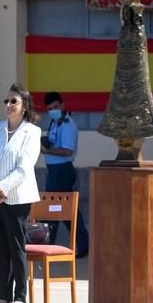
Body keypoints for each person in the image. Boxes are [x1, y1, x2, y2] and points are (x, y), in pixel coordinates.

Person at [0, 83, 41, 303]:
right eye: (6, 101)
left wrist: (1, 188)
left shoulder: (31, 132)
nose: (9, 105)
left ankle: (20, 298)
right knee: (0, 249)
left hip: (17, 196)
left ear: (24, 107)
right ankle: (3, 297)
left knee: (16, 247)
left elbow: (24, 167)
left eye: (14, 101)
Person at [41, 91, 89, 258]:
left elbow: (67, 150)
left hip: (62, 170)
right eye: (50, 108)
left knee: (51, 208)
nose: (53, 110)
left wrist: (47, 150)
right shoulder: (55, 123)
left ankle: (46, 245)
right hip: (55, 170)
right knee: (67, 211)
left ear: (62, 105)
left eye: (55, 107)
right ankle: (84, 243)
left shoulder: (67, 124)